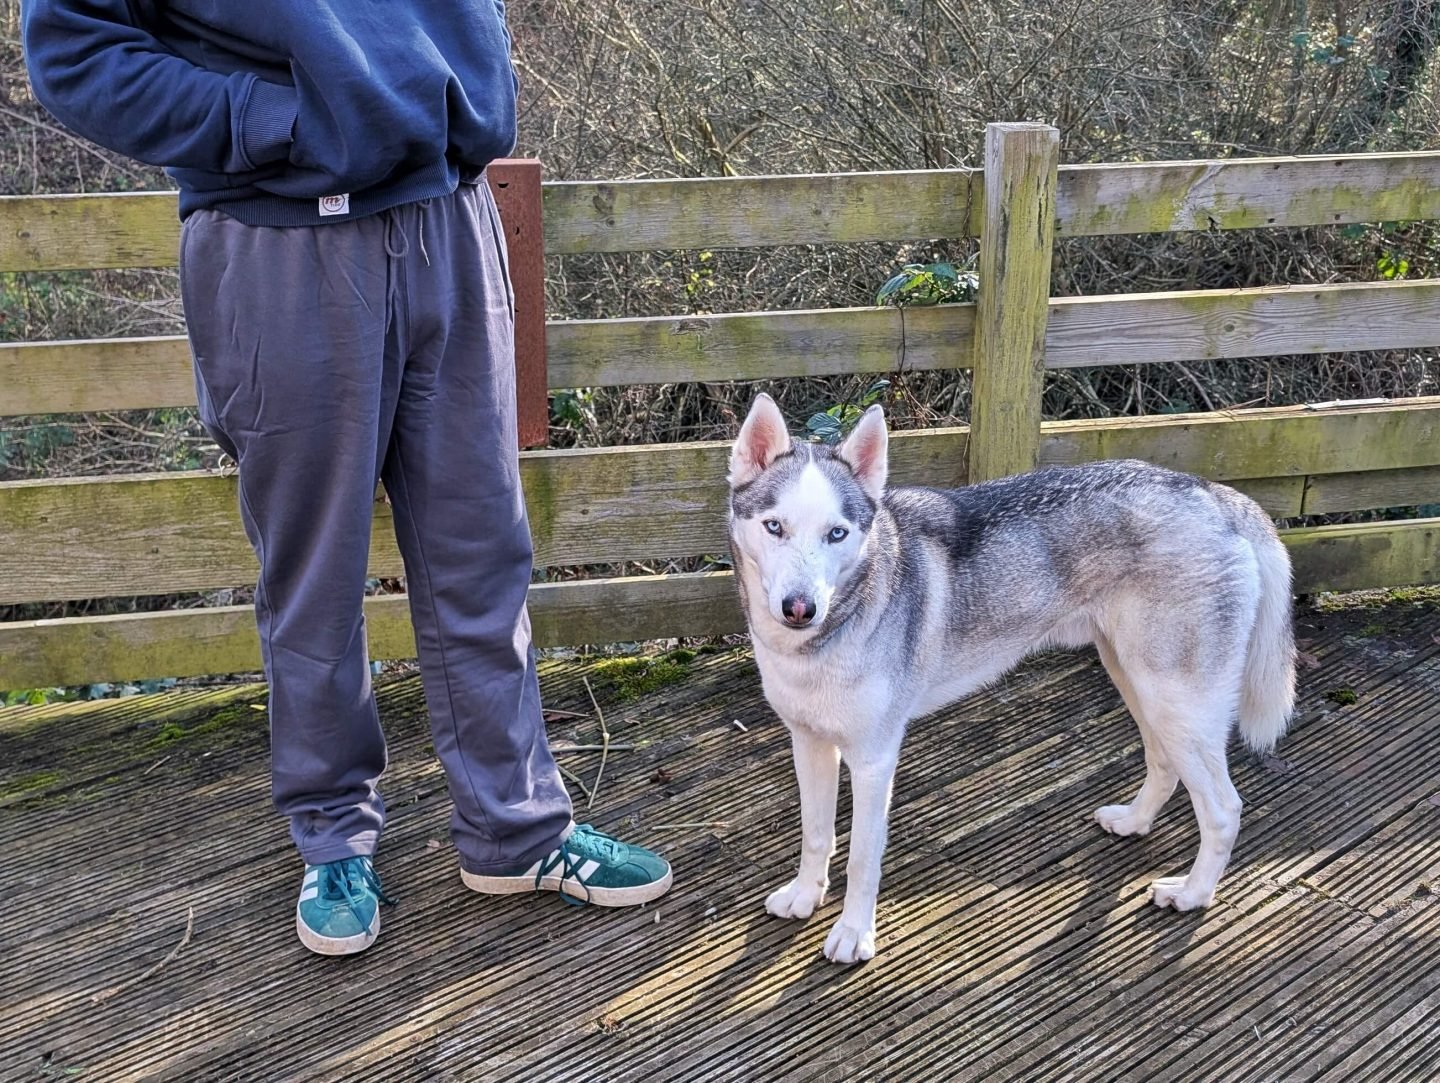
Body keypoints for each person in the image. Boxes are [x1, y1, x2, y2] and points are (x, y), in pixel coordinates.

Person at [22, 0, 673, 956]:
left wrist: (474, 79)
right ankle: (332, 836)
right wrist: (270, 123)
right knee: (315, 571)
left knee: (482, 550)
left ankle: (516, 829)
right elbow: (74, 50)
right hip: (279, 241)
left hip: (449, 215)